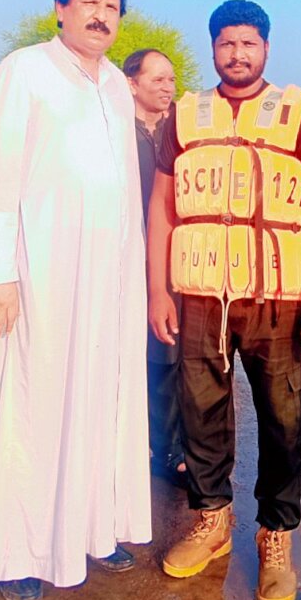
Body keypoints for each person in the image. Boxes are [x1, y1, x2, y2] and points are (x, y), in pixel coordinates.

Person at [0, 0, 152, 600]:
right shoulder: (24, 71)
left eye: (111, 6)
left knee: (99, 397)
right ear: (59, 9)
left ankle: (92, 527)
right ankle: (17, 550)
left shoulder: (118, 85)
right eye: (88, 3)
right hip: (38, 275)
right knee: (29, 402)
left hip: (108, 281)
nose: (100, 15)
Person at [148, 0, 301, 600]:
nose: (238, 54)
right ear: (213, 49)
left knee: (285, 419)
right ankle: (211, 522)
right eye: (227, 43)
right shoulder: (183, 116)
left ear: (266, 48)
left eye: (249, 44)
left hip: (275, 297)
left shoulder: (296, 117)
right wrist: (158, 287)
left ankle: (275, 538)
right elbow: (162, 206)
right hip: (200, 293)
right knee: (201, 408)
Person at [123, 48, 187, 488]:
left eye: (171, 80)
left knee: (170, 348)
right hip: (122, 255)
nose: (167, 88)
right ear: (131, 82)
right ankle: (131, 443)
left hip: (173, 254)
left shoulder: (181, 127)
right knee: (128, 350)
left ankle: (172, 448)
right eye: (158, 80)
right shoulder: (111, 127)